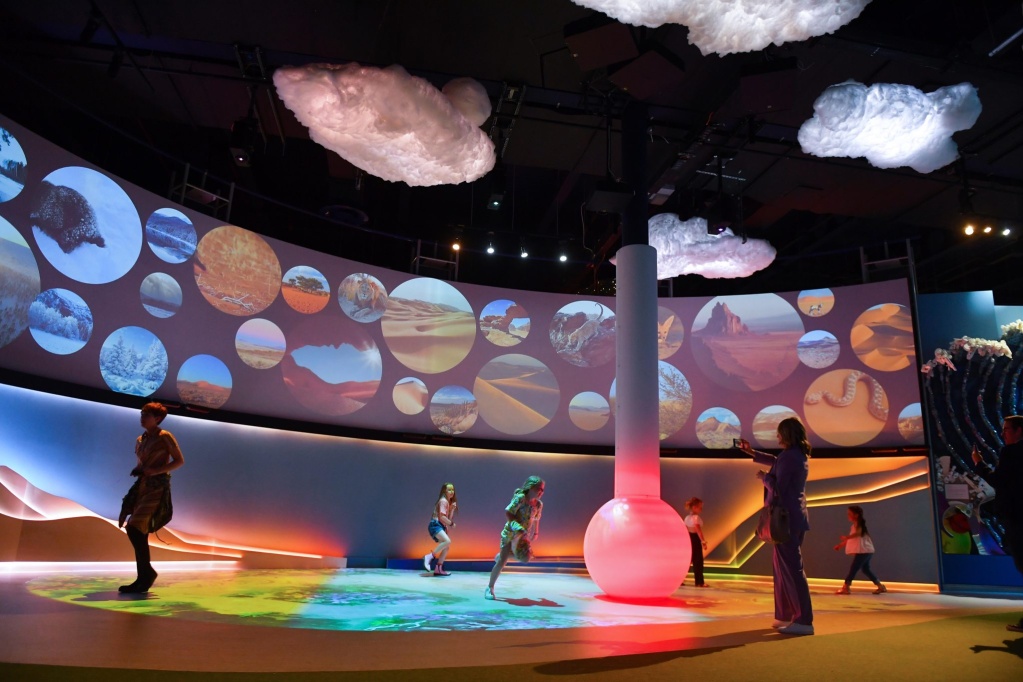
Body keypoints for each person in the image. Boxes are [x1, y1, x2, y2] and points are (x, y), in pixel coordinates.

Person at [739, 417, 814, 635]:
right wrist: (752, 452)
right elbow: (776, 461)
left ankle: (803, 620)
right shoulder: (794, 455)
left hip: (785, 520)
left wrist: (764, 478)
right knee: (783, 569)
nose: (777, 436)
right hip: (792, 518)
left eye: (780, 433)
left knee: (791, 570)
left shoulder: (790, 457)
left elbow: (778, 489)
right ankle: (786, 615)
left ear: (787, 434)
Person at [117, 402, 184, 594]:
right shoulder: (140, 439)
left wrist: (156, 471)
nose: (142, 417)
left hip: (157, 488)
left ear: (158, 419)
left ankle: (146, 574)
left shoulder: (165, 437)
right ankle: (143, 577)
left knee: (135, 528)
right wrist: (139, 470)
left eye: (147, 414)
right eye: (142, 413)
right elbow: (142, 464)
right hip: (143, 487)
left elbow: (179, 461)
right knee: (139, 531)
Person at [972, 415, 1023, 633]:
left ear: (1019, 430)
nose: (1003, 433)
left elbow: (998, 480)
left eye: (1007, 429)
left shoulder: (1011, 453)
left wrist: (978, 463)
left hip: (1018, 518)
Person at [485, 475, 544, 600]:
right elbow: (508, 512)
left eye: (543, 490)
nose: (541, 492)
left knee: (526, 558)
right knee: (502, 562)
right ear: (531, 487)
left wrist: (536, 532)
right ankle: (490, 588)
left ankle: (501, 555)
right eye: (539, 488)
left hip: (523, 536)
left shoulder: (538, 505)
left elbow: (536, 519)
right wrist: (515, 525)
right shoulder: (521, 498)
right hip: (511, 534)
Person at [833, 505, 886, 595]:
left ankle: (846, 587)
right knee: (865, 569)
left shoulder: (859, 524)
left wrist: (847, 537)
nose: (848, 516)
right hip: (866, 551)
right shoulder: (854, 525)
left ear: (856, 515)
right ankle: (880, 586)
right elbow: (853, 538)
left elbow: (858, 533)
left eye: (849, 514)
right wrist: (840, 545)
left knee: (854, 568)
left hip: (864, 551)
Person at [424, 482, 457, 576]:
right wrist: (452, 523)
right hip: (435, 525)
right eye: (449, 490)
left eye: (453, 490)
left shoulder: (447, 502)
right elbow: (442, 517)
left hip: (439, 525)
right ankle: (429, 556)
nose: (452, 492)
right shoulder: (443, 501)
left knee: (446, 547)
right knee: (447, 541)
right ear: (444, 491)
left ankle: (438, 568)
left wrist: (452, 510)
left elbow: (447, 520)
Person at [684, 497, 709, 587]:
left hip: (689, 538)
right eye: (700, 507)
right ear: (694, 507)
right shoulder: (695, 518)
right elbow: (698, 530)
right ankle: (699, 582)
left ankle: (681, 580)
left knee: (688, 561)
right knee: (698, 561)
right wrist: (703, 541)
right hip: (695, 539)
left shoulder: (687, 517)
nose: (701, 509)